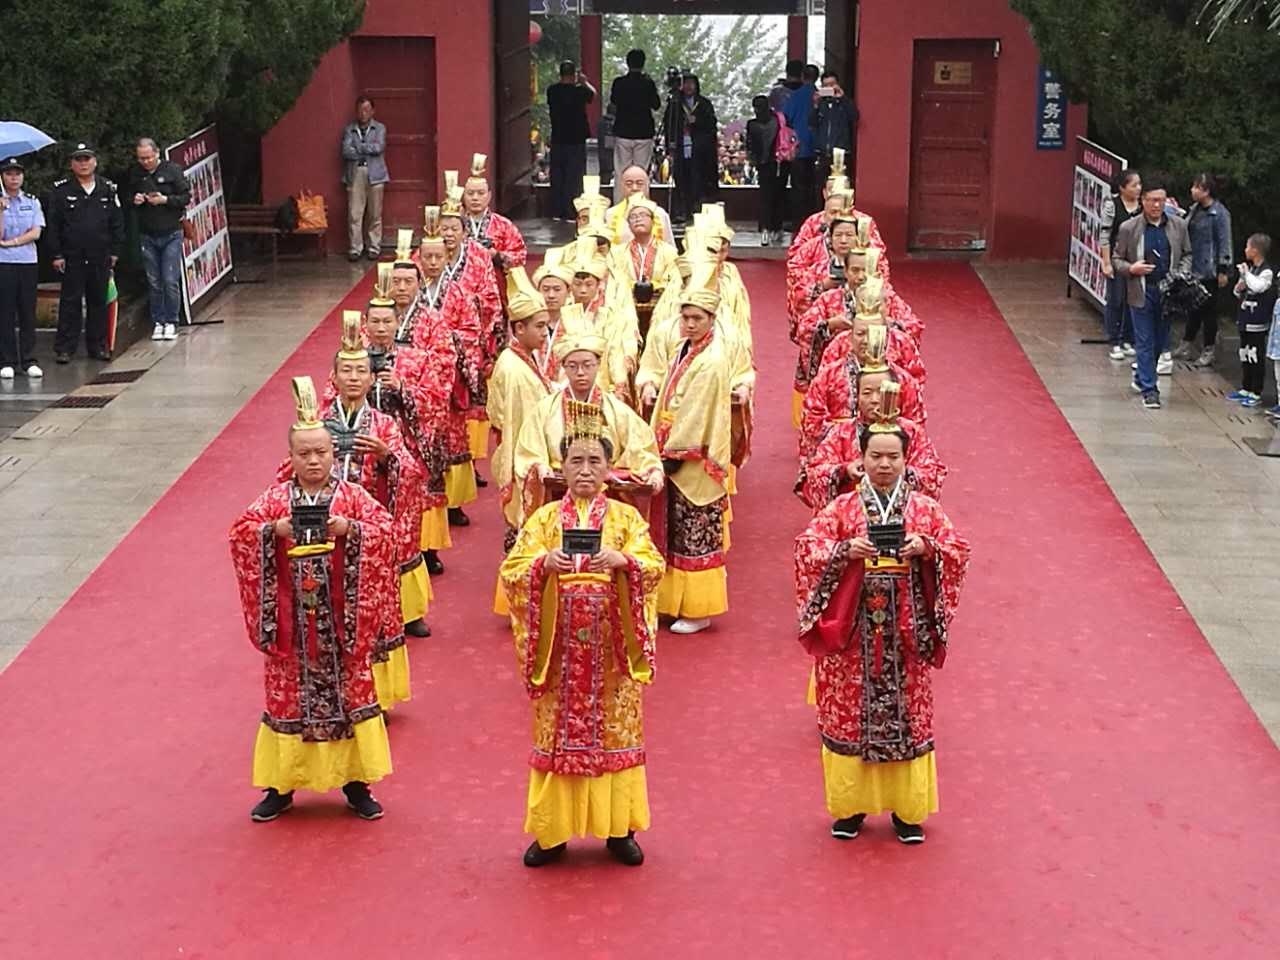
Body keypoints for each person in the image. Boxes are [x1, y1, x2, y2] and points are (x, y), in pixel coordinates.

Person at [794, 401, 969, 845]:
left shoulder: (925, 510)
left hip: (905, 629)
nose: (884, 464)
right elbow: (806, 550)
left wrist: (927, 548)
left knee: (908, 716)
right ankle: (851, 809)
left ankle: (907, 811)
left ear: (906, 460)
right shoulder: (842, 509)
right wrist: (843, 552)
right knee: (849, 717)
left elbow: (957, 551)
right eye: (876, 456)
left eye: (893, 456)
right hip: (854, 632)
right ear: (863, 458)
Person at [501, 413, 665, 868]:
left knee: (616, 735)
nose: (586, 470)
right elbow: (512, 571)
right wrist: (543, 566)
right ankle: (552, 832)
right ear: (563, 466)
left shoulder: (627, 519)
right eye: (577, 461)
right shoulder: (544, 520)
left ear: (610, 468)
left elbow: (653, 567)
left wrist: (623, 561)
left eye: (595, 461)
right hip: (559, 654)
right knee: (556, 738)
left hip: (611, 651)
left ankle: (619, 828)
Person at [228, 377, 394, 822]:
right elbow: (241, 533)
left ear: (333, 453)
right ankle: (281, 786)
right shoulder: (275, 501)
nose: (314, 460)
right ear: (291, 458)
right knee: (287, 702)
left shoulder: (354, 498)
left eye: (321, 452)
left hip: (341, 621)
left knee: (350, 696)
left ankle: (357, 783)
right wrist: (272, 532)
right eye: (305, 454)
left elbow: (385, 532)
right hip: (293, 625)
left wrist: (351, 532)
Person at [641, 262, 733, 634]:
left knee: (695, 531)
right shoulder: (684, 349)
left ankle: (699, 608)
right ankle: (672, 600)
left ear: (711, 318)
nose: (690, 324)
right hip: (669, 447)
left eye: (697, 318)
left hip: (692, 458)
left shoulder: (712, 360)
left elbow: (697, 411)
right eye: (686, 316)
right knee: (672, 531)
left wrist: (675, 451)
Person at [361, 263, 455, 591]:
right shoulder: (352, 363)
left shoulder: (415, 359)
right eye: (375, 321)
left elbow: (434, 395)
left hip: (405, 451)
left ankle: (411, 603)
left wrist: (403, 389)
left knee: (405, 524)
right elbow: (331, 402)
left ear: (398, 324)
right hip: (363, 452)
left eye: (388, 322)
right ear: (366, 324)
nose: (382, 328)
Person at [513, 333, 663, 524]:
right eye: (573, 366)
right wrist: (539, 466)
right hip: (558, 493)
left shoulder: (618, 411)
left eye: (587, 365)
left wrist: (651, 469)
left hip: (608, 495)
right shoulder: (544, 410)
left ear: (598, 365)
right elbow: (529, 450)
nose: (580, 372)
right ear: (564, 368)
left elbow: (641, 447)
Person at [488, 267, 554, 612]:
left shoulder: (525, 359)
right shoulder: (514, 370)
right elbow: (522, 426)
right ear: (518, 328)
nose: (545, 332)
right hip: (525, 460)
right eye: (539, 326)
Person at [797, 372, 946, 511]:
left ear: (893, 394)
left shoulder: (912, 431)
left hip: (905, 513)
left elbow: (933, 473)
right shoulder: (841, 432)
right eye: (867, 393)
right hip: (851, 514)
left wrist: (905, 473)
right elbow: (813, 474)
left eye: (881, 391)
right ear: (857, 396)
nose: (874, 400)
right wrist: (844, 472)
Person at [1112, 176, 1192, 410]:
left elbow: (1188, 253)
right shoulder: (1130, 228)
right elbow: (1117, 258)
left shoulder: (1178, 225)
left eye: (1161, 200)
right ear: (1143, 201)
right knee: (1145, 341)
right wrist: (1131, 269)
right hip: (1141, 291)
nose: (1157, 205)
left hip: (1169, 292)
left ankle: (1141, 377)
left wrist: (1181, 273)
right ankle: (1150, 389)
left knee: (1159, 341)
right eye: (1152, 200)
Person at [47, 142, 124, 364]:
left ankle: (98, 346)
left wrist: (116, 250)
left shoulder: (108, 188)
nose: (83, 164)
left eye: (87, 159)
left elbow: (117, 222)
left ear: (95, 161)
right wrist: (57, 254)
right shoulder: (61, 191)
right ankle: (65, 348)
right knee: (70, 302)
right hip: (72, 256)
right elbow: (54, 225)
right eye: (78, 160)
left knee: (98, 301)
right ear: (72, 164)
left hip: (101, 254)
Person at [125, 137, 191, 341]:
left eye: (148, 157)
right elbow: (126, 197)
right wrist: (135, 200)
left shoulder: (172, 170)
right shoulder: (136, 174)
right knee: (154, 281)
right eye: (141, 158)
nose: (145, 162)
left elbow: (186, 197)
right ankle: (158, 321)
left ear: (157, 154)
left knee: (169, 279)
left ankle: (171, 320)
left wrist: (165, 200)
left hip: (171, 231)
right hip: (147, 233)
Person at [1175, 173, 1233, 367]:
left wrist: (1223, 269)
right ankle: (1187, 343)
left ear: (1206, 191)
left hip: (1210, 269)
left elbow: (1225, 241)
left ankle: (1209, 348)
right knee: (1193, 307)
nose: (1192, 190)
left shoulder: (1219, 213)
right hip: (1193, 265)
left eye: (1197, 187)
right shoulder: (1194, 209)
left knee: (1209, 310)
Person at [0, 157, 44, 379]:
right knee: (5, 312)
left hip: (27, 261)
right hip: (4, 263)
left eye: (17, 173)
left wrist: (12, 242)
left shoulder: (32, 201)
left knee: (27, 311)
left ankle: (29, 359)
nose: (14, 177)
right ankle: (6, 360)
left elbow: (36, 232)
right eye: (9, 173)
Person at [1227, 234, 1275, 408]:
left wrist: (1246, 275)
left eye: (1248, 247)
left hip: (1257, 321)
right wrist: (1239, 286)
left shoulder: (1266, 271)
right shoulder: (1251, 269)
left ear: (1255, 250)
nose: (1245, 250)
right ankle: (1245, 387)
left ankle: (1256, 391)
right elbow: (1241, 290)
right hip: (1245, 318)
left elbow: (1258, 287)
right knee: (1245, 354)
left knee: (1256, 355)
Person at [1099, 169, 1141, 361]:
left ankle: (1128, 338)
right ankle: (1114, 340)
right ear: (1122, 188)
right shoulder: (1112, 205)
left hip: (1137, 260)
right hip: (1117, 259)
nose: (1138, 189)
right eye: (1134, 185)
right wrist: (1106, 262)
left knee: (1132, 300)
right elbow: (1105, 235)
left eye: (1139, 185)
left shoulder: (1143, 207)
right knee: (1115, 299)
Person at [341, 95, 389, 262]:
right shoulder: (350, 129)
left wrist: (359, 147)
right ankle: (356, 248)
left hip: (375, 173)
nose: (363, 113)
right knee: (355, 213)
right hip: (356, 173)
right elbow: (346, 151)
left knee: (375, 213)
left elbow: (379, 147)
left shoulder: (380, 128)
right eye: (361, 110)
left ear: (372, 111)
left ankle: (374, 247)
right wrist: (366, 149)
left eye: (367, 110)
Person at [547, 61, 596, 222]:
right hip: (576, 139)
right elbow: (593, 95)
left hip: (558, 138)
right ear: (574, 74)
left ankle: (556, 210)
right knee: (574, 177)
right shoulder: (580, 91)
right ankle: (570, 211)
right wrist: (584, 81)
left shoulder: (552, 91)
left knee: (558, 175)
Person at [609, 50, 660, 202]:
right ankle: (641, 206)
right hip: (644, 132)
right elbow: (656, 105)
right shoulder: (648, 83)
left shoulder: (619, 83)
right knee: (641, 172)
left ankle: (619, 205)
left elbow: (613, 102)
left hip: (623, 131)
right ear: (643, 63)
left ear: (627, 63)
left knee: (621, 171)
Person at [670, 74, 718, 222]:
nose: (689, 87)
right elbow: (669, 124)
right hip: (681, 145)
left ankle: (696, 209)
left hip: (699, 148)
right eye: (686, 84)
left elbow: (711, 125)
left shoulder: (704, 104)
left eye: (691, 83)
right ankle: (682, 210)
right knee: (681, 177)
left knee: (697, 178)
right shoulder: (675, 104)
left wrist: (697, 121)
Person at [783, 65, 821, 224]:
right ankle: (814, 221)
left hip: (798, 147)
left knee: (798, 187)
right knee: (815, 187)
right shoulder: (821, 96)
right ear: (817, 78)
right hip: (818, 147)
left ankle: (798, 222)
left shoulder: (795, 96)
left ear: (802, 77)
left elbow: (786, 117)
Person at [746, 96, 783, 247]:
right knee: (775, 196)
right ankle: (774, 227)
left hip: (766, 162)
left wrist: (754, 159)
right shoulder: (777, 121)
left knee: (766, 197)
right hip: (777, 162)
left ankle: (767, 227)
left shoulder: (753, 124)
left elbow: (750, 145)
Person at [606, 165, 675, 245]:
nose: (634, 188)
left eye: (639, 183)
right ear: (621, 186)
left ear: (647, 185)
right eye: (629, 184)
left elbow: (670, 250)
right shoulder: (610, 214)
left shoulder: (660, 214)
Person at [813, 70, 858, 189]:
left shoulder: (843, 103)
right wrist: (815, 105)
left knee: (840, 188)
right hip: (823, 154)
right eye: (825, 85)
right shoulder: (821, 105)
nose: (829, 88)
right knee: (822, 188)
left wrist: (842, 98)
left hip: (840, 154)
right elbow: (812, 124)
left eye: (832, 84)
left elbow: (854, 116)